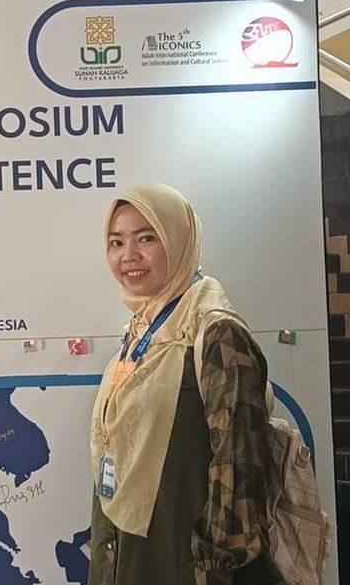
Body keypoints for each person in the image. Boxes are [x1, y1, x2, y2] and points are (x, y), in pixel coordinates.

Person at [88, 184, 279, 585]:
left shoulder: (217, 334)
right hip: (128, 551)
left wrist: (214, 568)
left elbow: (239, 469)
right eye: (116, 242)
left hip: (185, 562)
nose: (128, 256)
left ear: (179, 240)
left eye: (146, 238)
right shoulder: (143, 329)